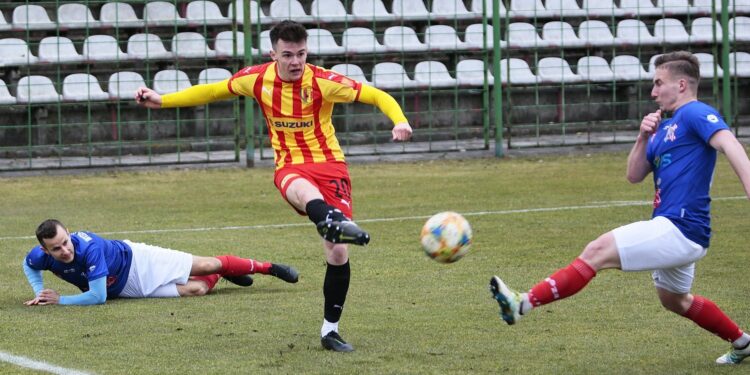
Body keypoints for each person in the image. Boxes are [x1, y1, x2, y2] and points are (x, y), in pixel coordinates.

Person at [134, 20, 413, 352]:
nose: (296, 62)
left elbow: (376, 95)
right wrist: (162, 100)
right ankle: (330, 220)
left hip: (331, 166)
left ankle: (329, 330)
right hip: (290, 167)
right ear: (273, 54)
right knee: (299, 188)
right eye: (288, 55)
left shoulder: (323, 81)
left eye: (301, 54)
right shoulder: (257, 78)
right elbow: (210, 91)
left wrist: (400, 119)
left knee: (337, 252)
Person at [489, 51, 750, 365]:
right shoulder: (664, 129)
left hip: (680, 227)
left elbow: (730, 144)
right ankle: (743, 342)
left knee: (597, 250)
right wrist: (642, 138)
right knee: (675, 300)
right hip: (676, 228)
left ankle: (521, 303)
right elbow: (633, 175)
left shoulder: (695, 113)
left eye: (658, 84)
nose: (653, 92)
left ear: (681, 85)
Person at [24, 219, 299, 306]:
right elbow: (29, 266)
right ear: (44, 250)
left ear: (69, 234)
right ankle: (225, 273)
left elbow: (97, 296)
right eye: (56, 248)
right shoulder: (40, 256)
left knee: (207, 266)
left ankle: (268, 268)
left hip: (136, 260)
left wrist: (60, 300)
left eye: (66, 242)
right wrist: (39, 291)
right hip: (123, 288)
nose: (64, 250)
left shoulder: (90, 248)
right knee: (198, 289)